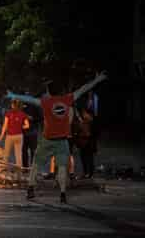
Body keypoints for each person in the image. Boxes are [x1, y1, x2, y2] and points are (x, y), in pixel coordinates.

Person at [7, 72, 107, 204]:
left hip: (47, 140)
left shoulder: (46, 102)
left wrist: (13, 95)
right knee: (62, 168)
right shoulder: (67, 99)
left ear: (49, 92)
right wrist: (98, 79)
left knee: (36, 164)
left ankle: (30, 190)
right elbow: (84, 88)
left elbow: (29, 99)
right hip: (62, 141)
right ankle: (63, 194)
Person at [0, 100, 29, 168]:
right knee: (18, 154)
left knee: (6, 153)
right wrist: (20, 126)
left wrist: (1, 136)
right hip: (19, 136)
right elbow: (27, 126)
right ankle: (19, 169)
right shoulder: (23, 114)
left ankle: (4, 167)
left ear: (13, 105)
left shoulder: (8, 113)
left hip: (10, 136)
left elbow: (5, 126)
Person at [74, 107, 95, 179]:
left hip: (88, 141)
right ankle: (86, 172)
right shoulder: (84, 121)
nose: (83, 114)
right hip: (83, 141)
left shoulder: (90, 121)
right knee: (84, 157)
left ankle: (89, 173)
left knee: (88, 158)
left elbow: (89, 132)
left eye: (84, 113)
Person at [21, 102, 41, 168]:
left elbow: (40, 118)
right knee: (24, 150)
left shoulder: (35, 107)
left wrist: (32, 118)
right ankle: (25, 167)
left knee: (33, 150)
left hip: (33, 132)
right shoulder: (22, 107)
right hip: (24, 132)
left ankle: (32, 167)